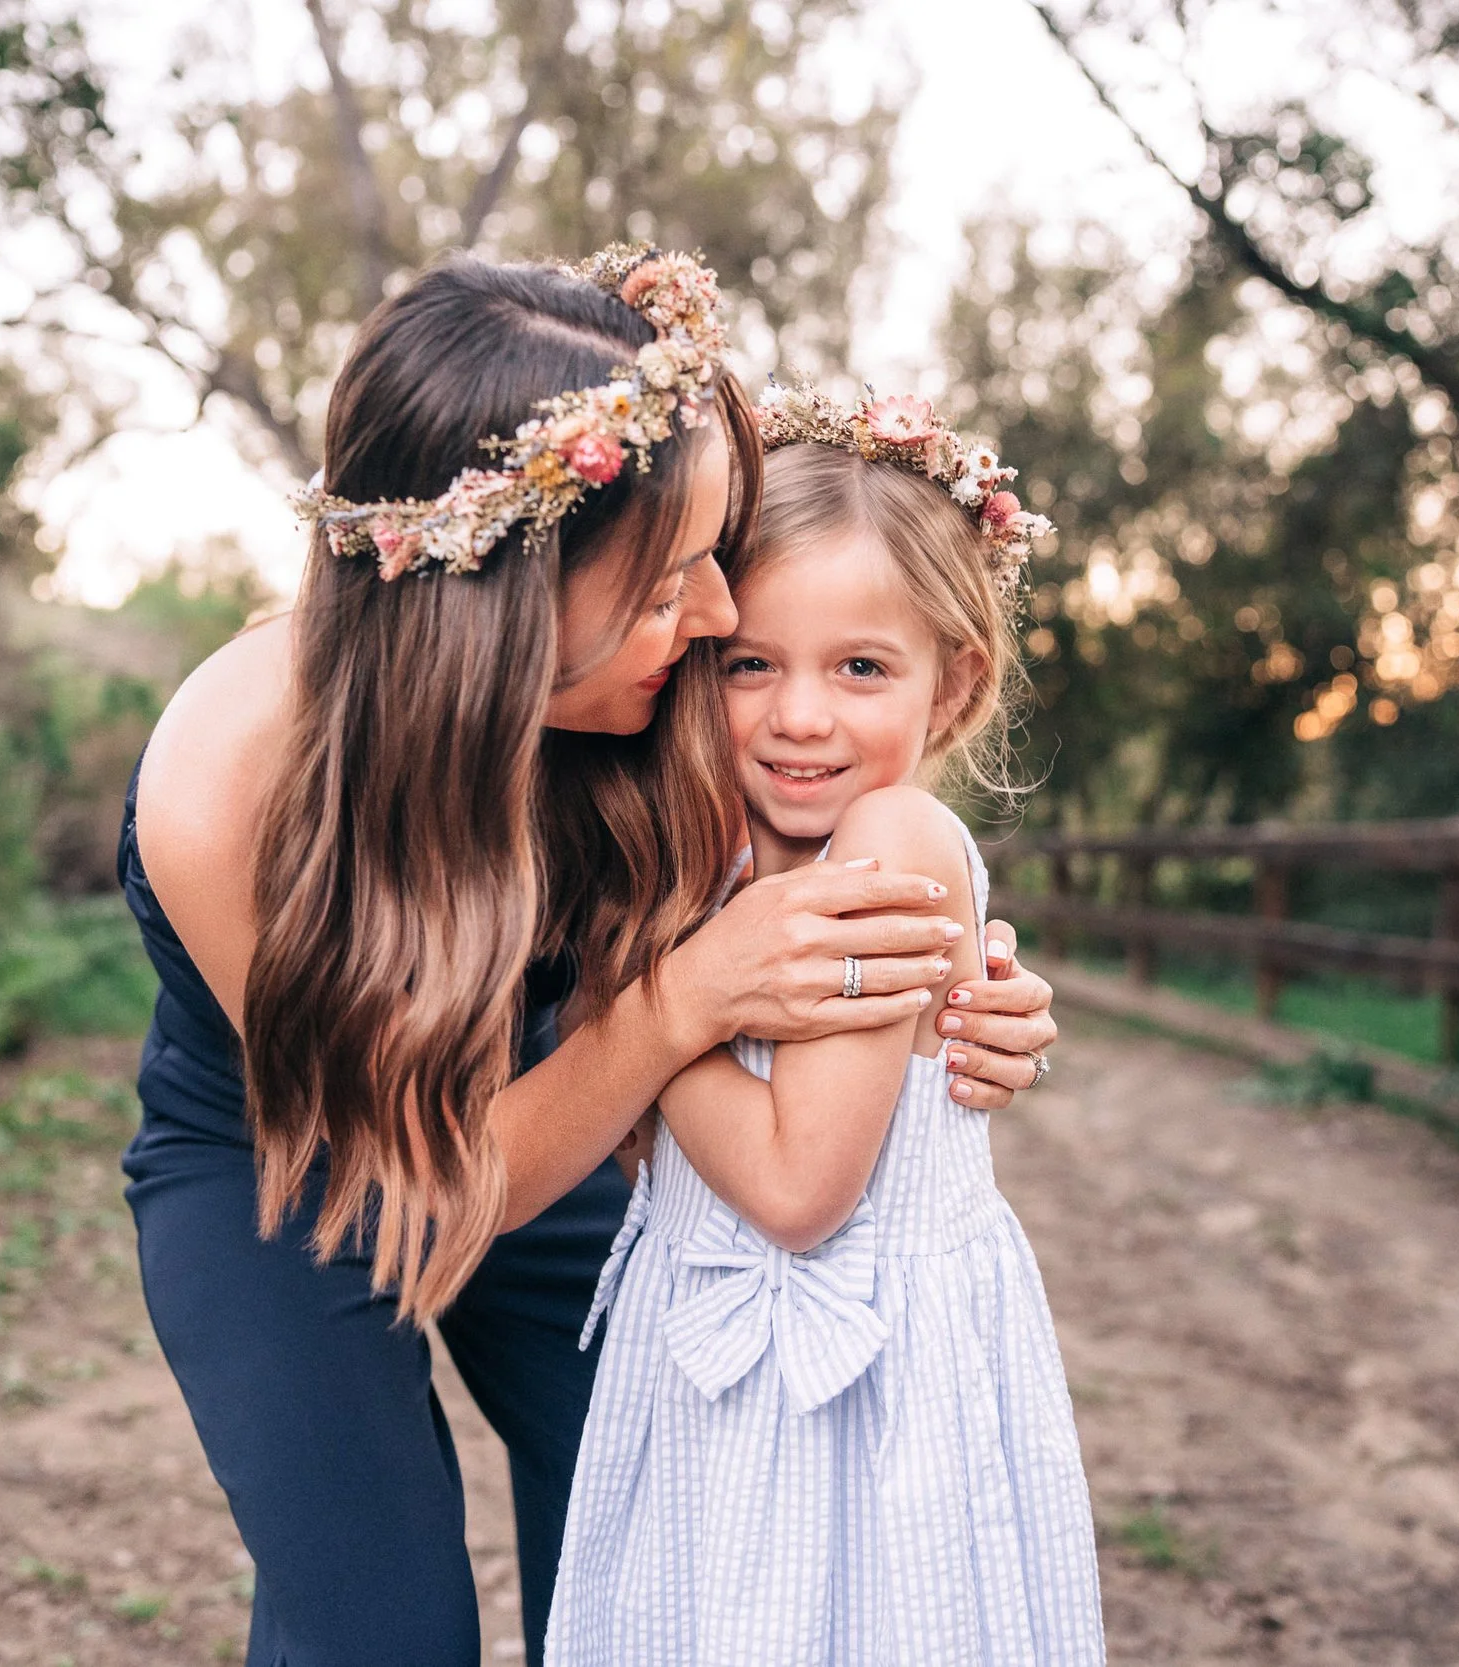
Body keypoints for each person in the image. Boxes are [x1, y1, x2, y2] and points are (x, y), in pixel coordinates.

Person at [117, 248, 1062, 1666]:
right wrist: (685, 1000)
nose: (719, 619)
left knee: (651, 1537)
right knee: (380, 1624)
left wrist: (948, 985)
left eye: (710, 560)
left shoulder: (646, 665)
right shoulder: (224, 783)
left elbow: (813, 848)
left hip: (575, 1095)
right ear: (505, 598)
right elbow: (428, 1182)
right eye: (675, 579)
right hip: (296, 1153)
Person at [546, 382, 1107, 1665]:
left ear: (953, 682)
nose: (802, 715)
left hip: (859, 1411)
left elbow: (800, 1189)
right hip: (711, 1387)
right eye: (753, 665)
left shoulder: (890, 837)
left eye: (861, 667)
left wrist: (633, 988)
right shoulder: (719, 855)